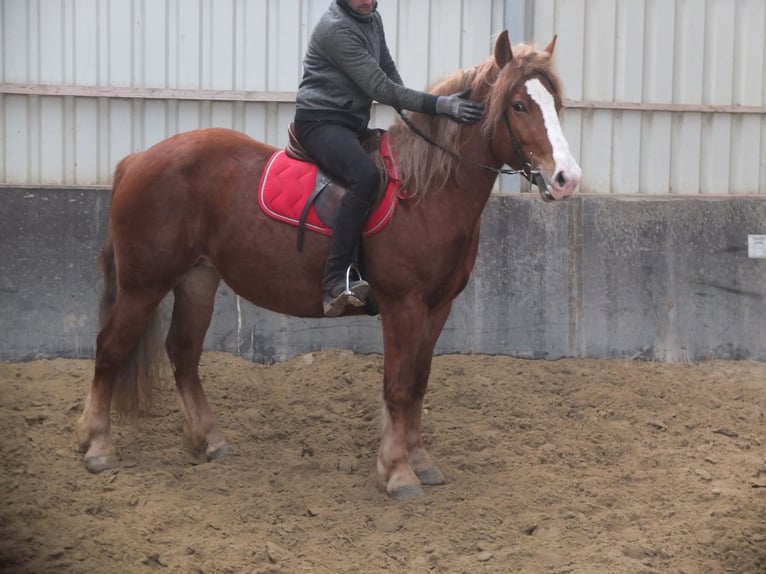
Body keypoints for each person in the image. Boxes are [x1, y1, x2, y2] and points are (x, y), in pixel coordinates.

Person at [294, 0, 484, 317]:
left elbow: (388, 73)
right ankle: (334, 282)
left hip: (352, 124)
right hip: (321, 122)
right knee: (365, 176)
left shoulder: (371, 17)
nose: (367, 0)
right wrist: (440, 106)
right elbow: (379, 87)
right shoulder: (336, 29)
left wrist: (414, 117)